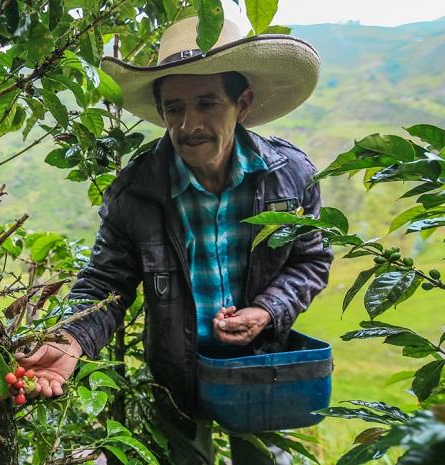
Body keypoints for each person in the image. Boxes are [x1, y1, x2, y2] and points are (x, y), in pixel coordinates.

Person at [17, 15, 333, 465]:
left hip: (263, 365)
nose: (189, 126)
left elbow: (310, 260)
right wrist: (70, 338)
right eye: (175, 109)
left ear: (241, 104)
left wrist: (266, 310)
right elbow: (106, 282)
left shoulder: (289, 176)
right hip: (178, 373)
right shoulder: (139, 191)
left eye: (207, 103)